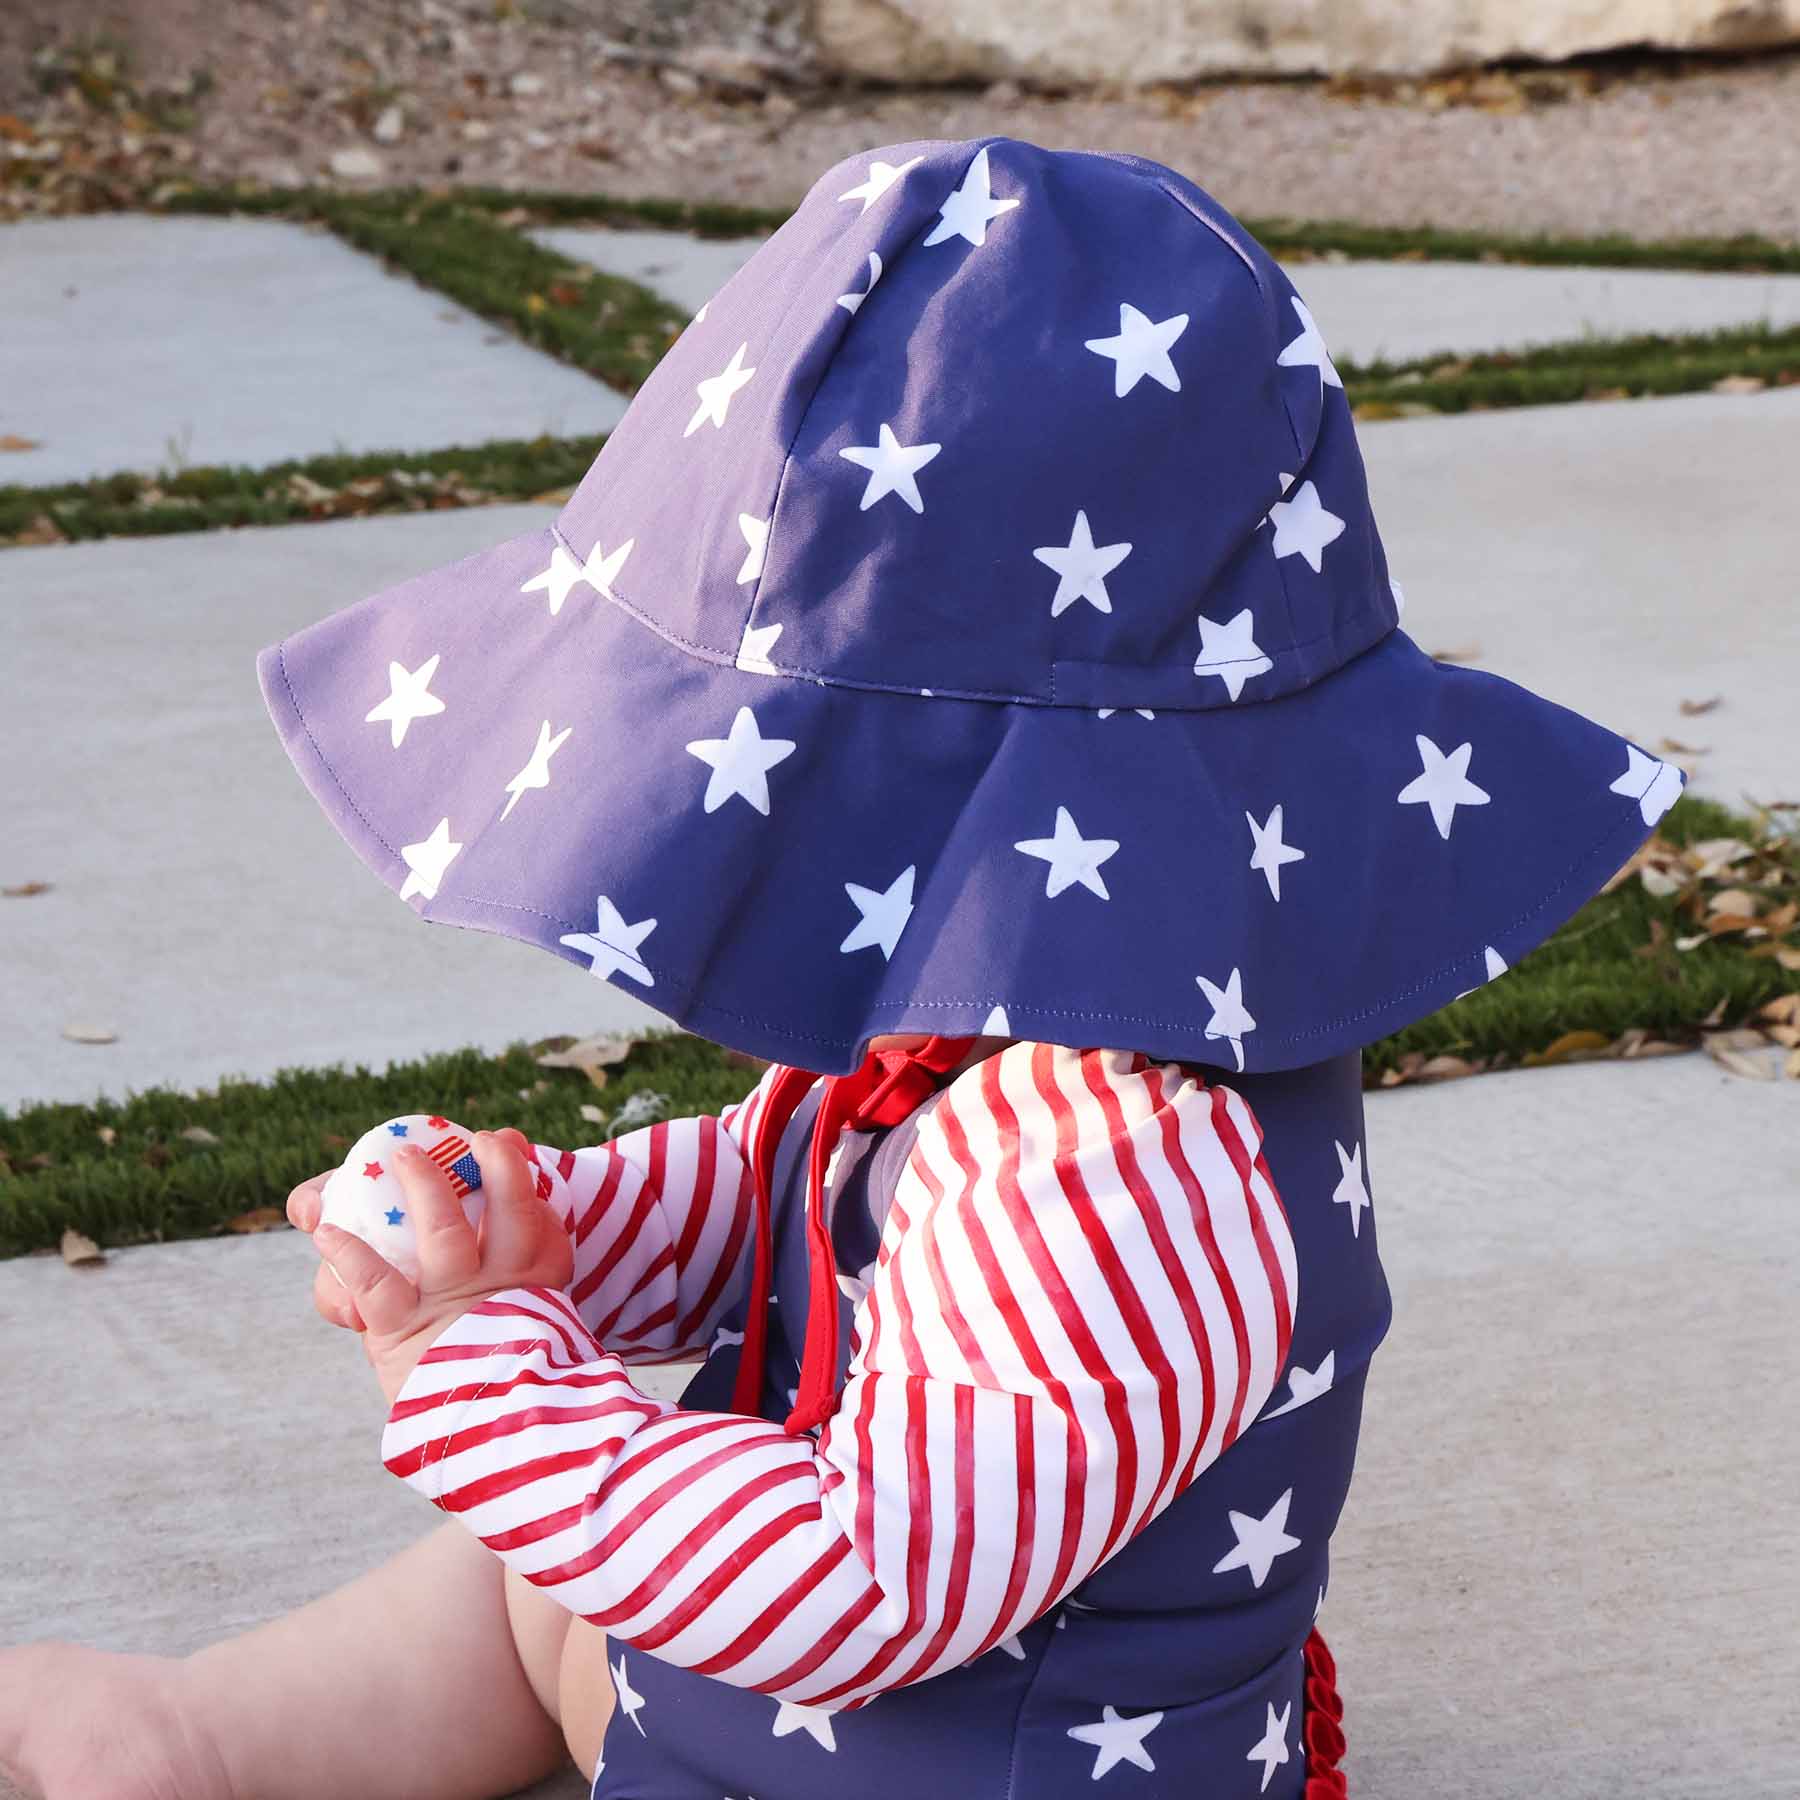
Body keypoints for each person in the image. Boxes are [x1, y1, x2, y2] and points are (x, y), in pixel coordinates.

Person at [0, 137, 1681, 1800]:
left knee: (591, 1513)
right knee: (545, 1576)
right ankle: (202, 1737)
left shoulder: (1124, 1166)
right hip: (769, 1709)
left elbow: (865, 1584)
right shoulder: (995, 1005)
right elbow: (785, 1191)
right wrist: (550, 1239)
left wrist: (481, 1370)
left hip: (945, 1751)